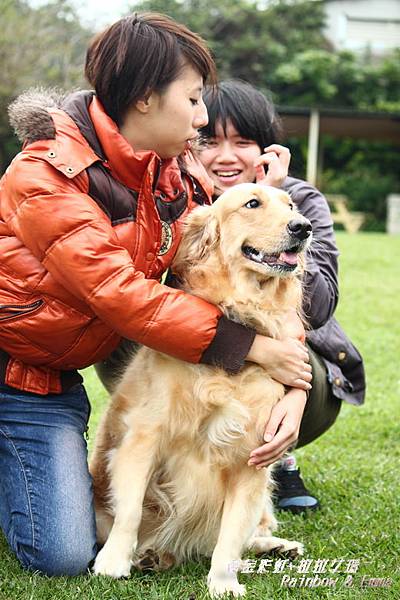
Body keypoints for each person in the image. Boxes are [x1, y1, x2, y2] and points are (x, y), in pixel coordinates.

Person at [0, 14, 305, 577]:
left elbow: (245, 275)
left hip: (62, 370)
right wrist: (253, 349)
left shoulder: (170, 175)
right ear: (144, 99)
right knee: (65, 554)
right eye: (192, 99)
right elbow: (119, 293)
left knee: (73, 543)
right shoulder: (43, 175)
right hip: (15, 375)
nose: (203, 116)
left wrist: (295, 379)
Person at [196, 79, 366, 513]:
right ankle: (174, 453)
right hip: (200, 359)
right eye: (210, 141)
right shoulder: (175, 201)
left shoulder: (301, 200)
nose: (227, 155)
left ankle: (278, 460)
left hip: (301, 375)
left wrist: (277, 206)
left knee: (272, 349)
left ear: (267, 151)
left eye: (244, 141)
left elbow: (320, 305)